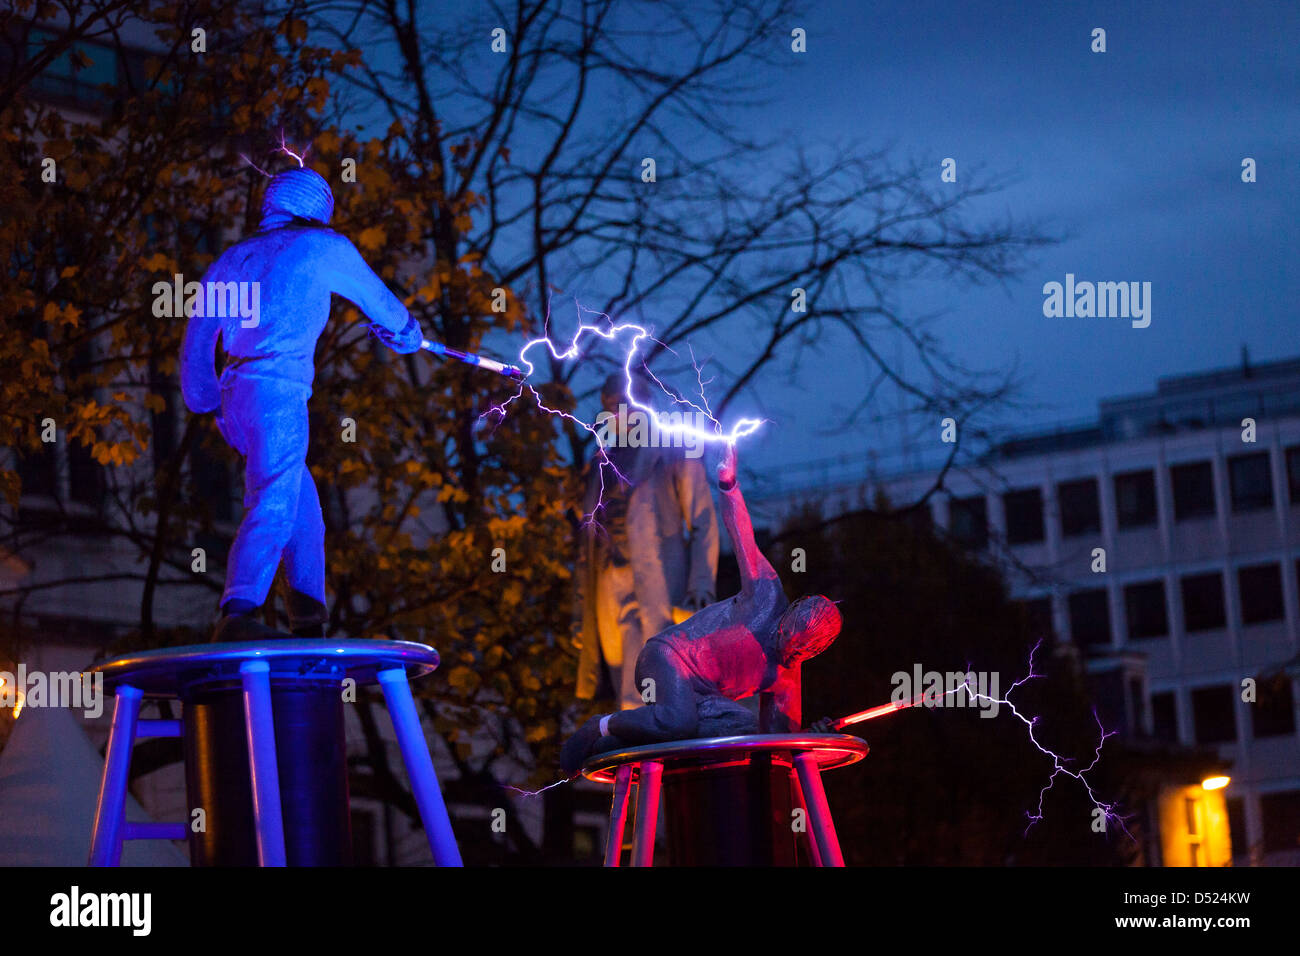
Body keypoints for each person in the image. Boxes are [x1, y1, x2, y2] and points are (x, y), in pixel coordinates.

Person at [180, 166, 423, 641]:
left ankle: (309, 611)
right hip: (279, 392)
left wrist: (207, 400)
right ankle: (238, 607)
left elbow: (197, 340)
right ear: (318, 208)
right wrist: (407, 331)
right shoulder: (322, 247)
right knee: (273, 496)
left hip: (235, 400)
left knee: (301, 502)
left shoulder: (234, 258)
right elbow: (383, 304)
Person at [561, 444, 842, 774]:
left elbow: (774, 742)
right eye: (783, 635)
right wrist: (728, 484)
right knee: (678, 720)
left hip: (702, 699)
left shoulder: (786, 678)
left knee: (738, 727)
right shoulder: (766, 595)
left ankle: (618, 744)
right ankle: (602, 726)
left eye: (795, 650)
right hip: (668, 659)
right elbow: (742, 534)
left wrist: (813, 736)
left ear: (810, 652)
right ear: (787, 616)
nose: (782, 648)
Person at [572, 372, 720, 710]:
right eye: (609, 408)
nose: (617, 415)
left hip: (660, 581)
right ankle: (637, 756)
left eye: (624, 405)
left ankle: (658, 754)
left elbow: (702, 521)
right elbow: (586, 550)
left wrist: (701, 585)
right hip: (611, 583)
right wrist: (581, 613)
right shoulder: (599, 465)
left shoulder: (674, 452)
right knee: (625, 680)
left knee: (658, 677)